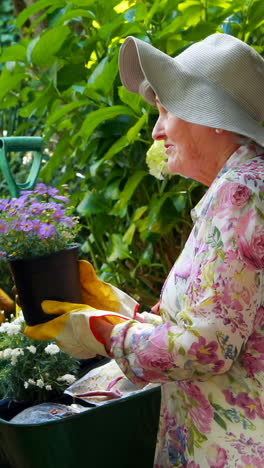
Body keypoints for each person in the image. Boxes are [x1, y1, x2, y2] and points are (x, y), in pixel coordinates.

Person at [24, 33, 264, 467]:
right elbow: (224, 322)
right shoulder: (247, 189)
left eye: (165, 111)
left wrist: (103, 332)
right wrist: (126, 312)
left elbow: (204, 349)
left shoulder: (241, 195)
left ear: (213, 117)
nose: (156, 131)